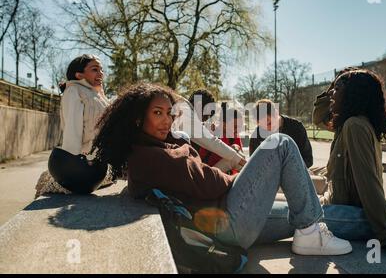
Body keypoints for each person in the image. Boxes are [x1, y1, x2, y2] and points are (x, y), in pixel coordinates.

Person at [92, 83, 353, 256]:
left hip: (220, 221)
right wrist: (250, 176)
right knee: (280, 144)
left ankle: (381, 218)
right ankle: (310, 233)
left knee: (307, 212)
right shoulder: (152, 157)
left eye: (170, 113)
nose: (168, 120)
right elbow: (211, 183)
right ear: (138, 118)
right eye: (158, 113)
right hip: (227, 222)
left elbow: (197, 176)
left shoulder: (150, 150)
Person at [312, 68, 386, 263]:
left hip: (346, 210)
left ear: (352, 94)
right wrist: (338, 82)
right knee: (297, 182)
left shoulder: (355, 126)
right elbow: (318, 117)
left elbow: (368, 182)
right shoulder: (346, 123)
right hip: (335, 197)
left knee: (294, 211)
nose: (331, 92)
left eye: (336, 88)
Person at [35, 54, 110, 197]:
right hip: (85, 163)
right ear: (79, 74)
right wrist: (74, 166)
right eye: (95, 69)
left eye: (101, 70)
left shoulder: (99, 95)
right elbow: (72, 130)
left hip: (101, 160)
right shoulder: (74, 91)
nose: (101, 73)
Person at [198, 106, 244, 174]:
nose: (238, 130)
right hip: (207, 173)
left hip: (223, 174)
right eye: (235, 126)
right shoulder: (212, 132)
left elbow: (241, 159)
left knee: (238, 155)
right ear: (224, 125)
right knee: (234, 156)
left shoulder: (235, 136)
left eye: (241, 127)